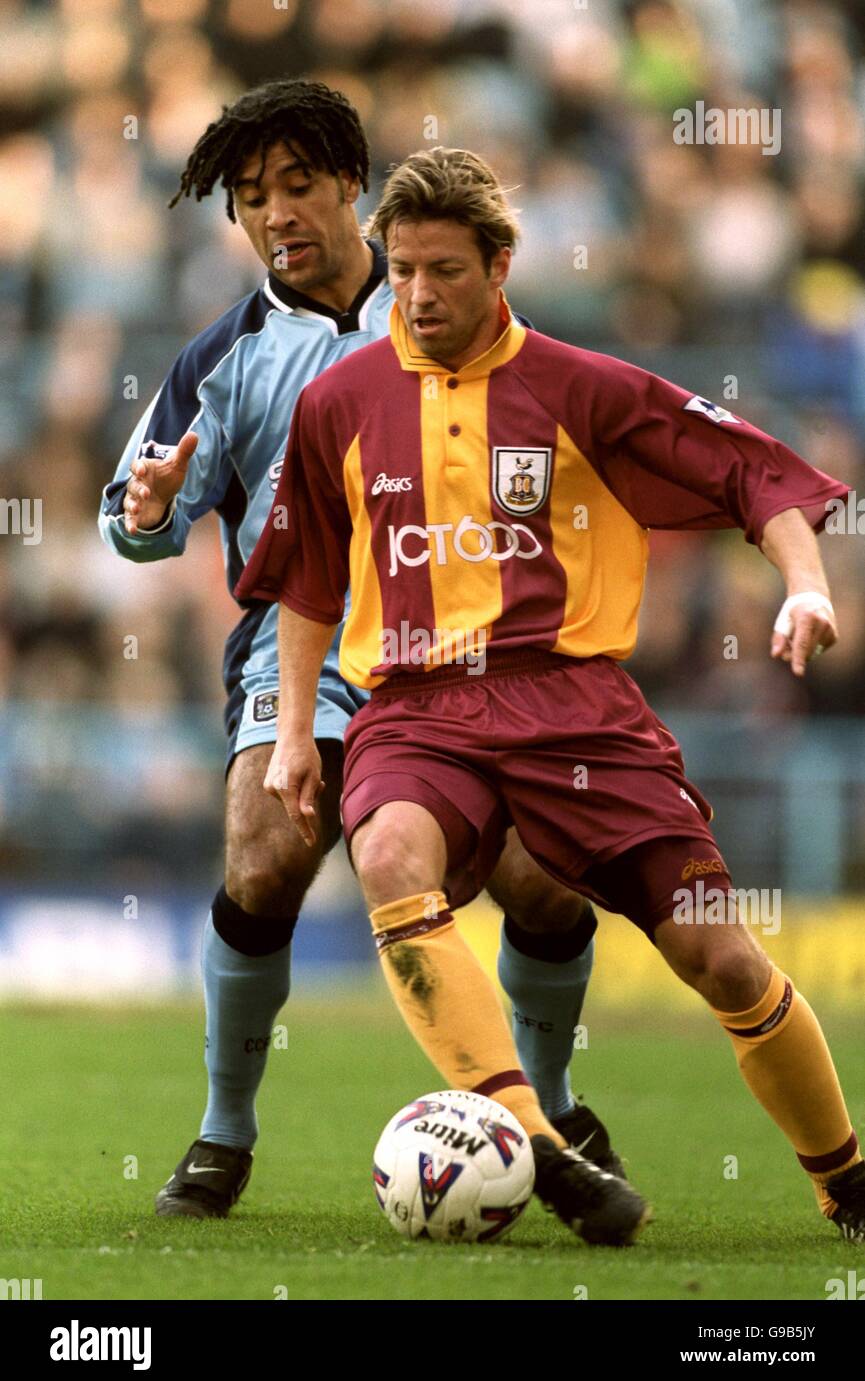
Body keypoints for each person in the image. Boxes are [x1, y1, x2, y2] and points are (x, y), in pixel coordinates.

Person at [238, 145, 865, 1243]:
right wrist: (295, 731)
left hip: (575, 704)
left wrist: (806, 589)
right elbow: (303, 579)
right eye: (403, 269)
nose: (418, 295)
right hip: (415, 706)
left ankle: (845, 1179)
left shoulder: (583, 387)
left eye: (444, 270)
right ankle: (541, 1145)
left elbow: (756, 475)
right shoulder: (339, 400)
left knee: (719, 951)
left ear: (500, 264)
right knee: (386, 852)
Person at [98, 80, 622, 1222]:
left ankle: (556, 1109)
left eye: (295, 186)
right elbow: (133, 525)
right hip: (309, 655)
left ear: (352, 183)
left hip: (464, 647)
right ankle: (222, 1132)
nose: (275, 215)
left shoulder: (445, 308)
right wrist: (146, 509)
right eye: (248, 200)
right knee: (263, 848)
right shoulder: (221, 356)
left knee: (540, 874)